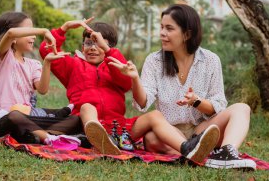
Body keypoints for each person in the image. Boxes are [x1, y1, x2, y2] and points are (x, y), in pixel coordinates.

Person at [39, 19, 220, 164]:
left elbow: (126, 83)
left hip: (118, 130)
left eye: (98, 44)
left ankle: (187, 148)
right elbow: (46, 50)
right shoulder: (72, 66)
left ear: (108, 47)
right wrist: (63, 29)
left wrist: (110, 53)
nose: (92, 48)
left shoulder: (114, 65)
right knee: (87, 106)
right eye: (88, 43)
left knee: (154, 115)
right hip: (85, 126)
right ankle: (100, 139)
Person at [108, 4, 256, 170]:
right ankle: (196, 152)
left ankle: (226, 154)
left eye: (169, 28)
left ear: (187, 34)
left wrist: (197, 101)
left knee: (242, 108)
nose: (162, 33)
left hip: (202, 131)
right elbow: (142, 104)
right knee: (151, 139)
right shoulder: (154, 61)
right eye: (162, 27)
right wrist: (135, 78)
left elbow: (218, 105)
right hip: (169, 133)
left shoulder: (211, 60)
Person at [0, 12, 82, 150]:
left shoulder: (33, 64)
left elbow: (42, 89)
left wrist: (47, 62)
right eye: (28, 31)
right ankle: (49, 138)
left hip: (28, 118)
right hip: (4, 121)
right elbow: (11, 32)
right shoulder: (2, 57)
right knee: (14, 115)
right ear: (14, 37)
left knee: (75, 120)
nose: (34, 36)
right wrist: (44, 31)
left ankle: (36, 135)